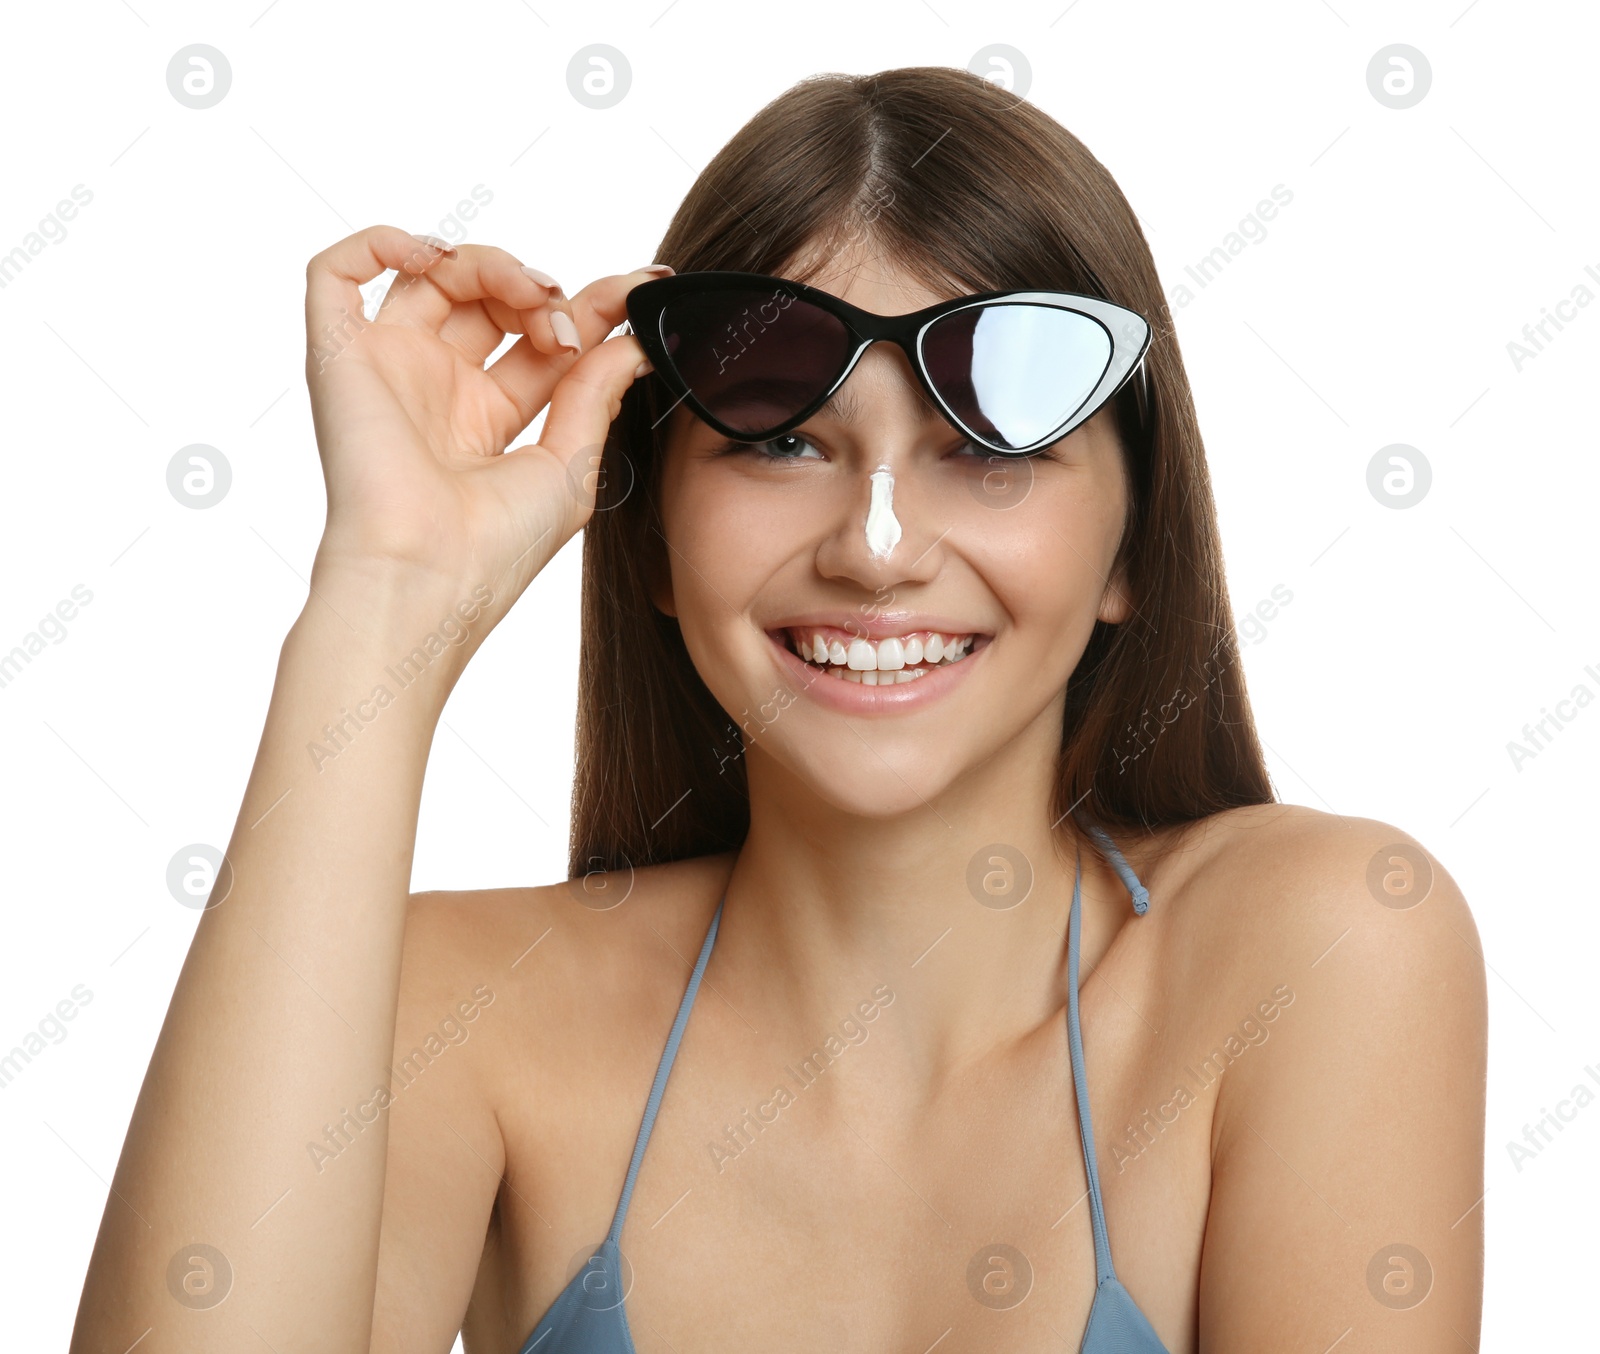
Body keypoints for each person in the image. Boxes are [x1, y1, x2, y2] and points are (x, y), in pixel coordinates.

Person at [71, 66, 1487, 1352]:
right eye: (783, 440)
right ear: (653, 541)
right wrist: (385, 598)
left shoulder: (1319, 947)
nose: (877, 548)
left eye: (988, 450)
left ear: (1129, 547)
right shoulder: (460, 1017)